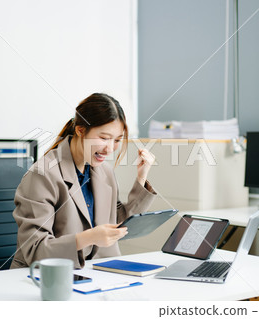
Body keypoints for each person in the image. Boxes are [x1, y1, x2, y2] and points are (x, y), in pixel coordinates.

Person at [10, 93, 157, 269]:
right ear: (80, 130)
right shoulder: (43, 174)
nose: (110, 148)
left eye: (117, 140)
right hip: (46, 277)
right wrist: (88, 238)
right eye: (103, 138)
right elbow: (35, 250)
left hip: (95, 274)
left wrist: (141, 176)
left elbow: (115, 224)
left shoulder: (104, 171)